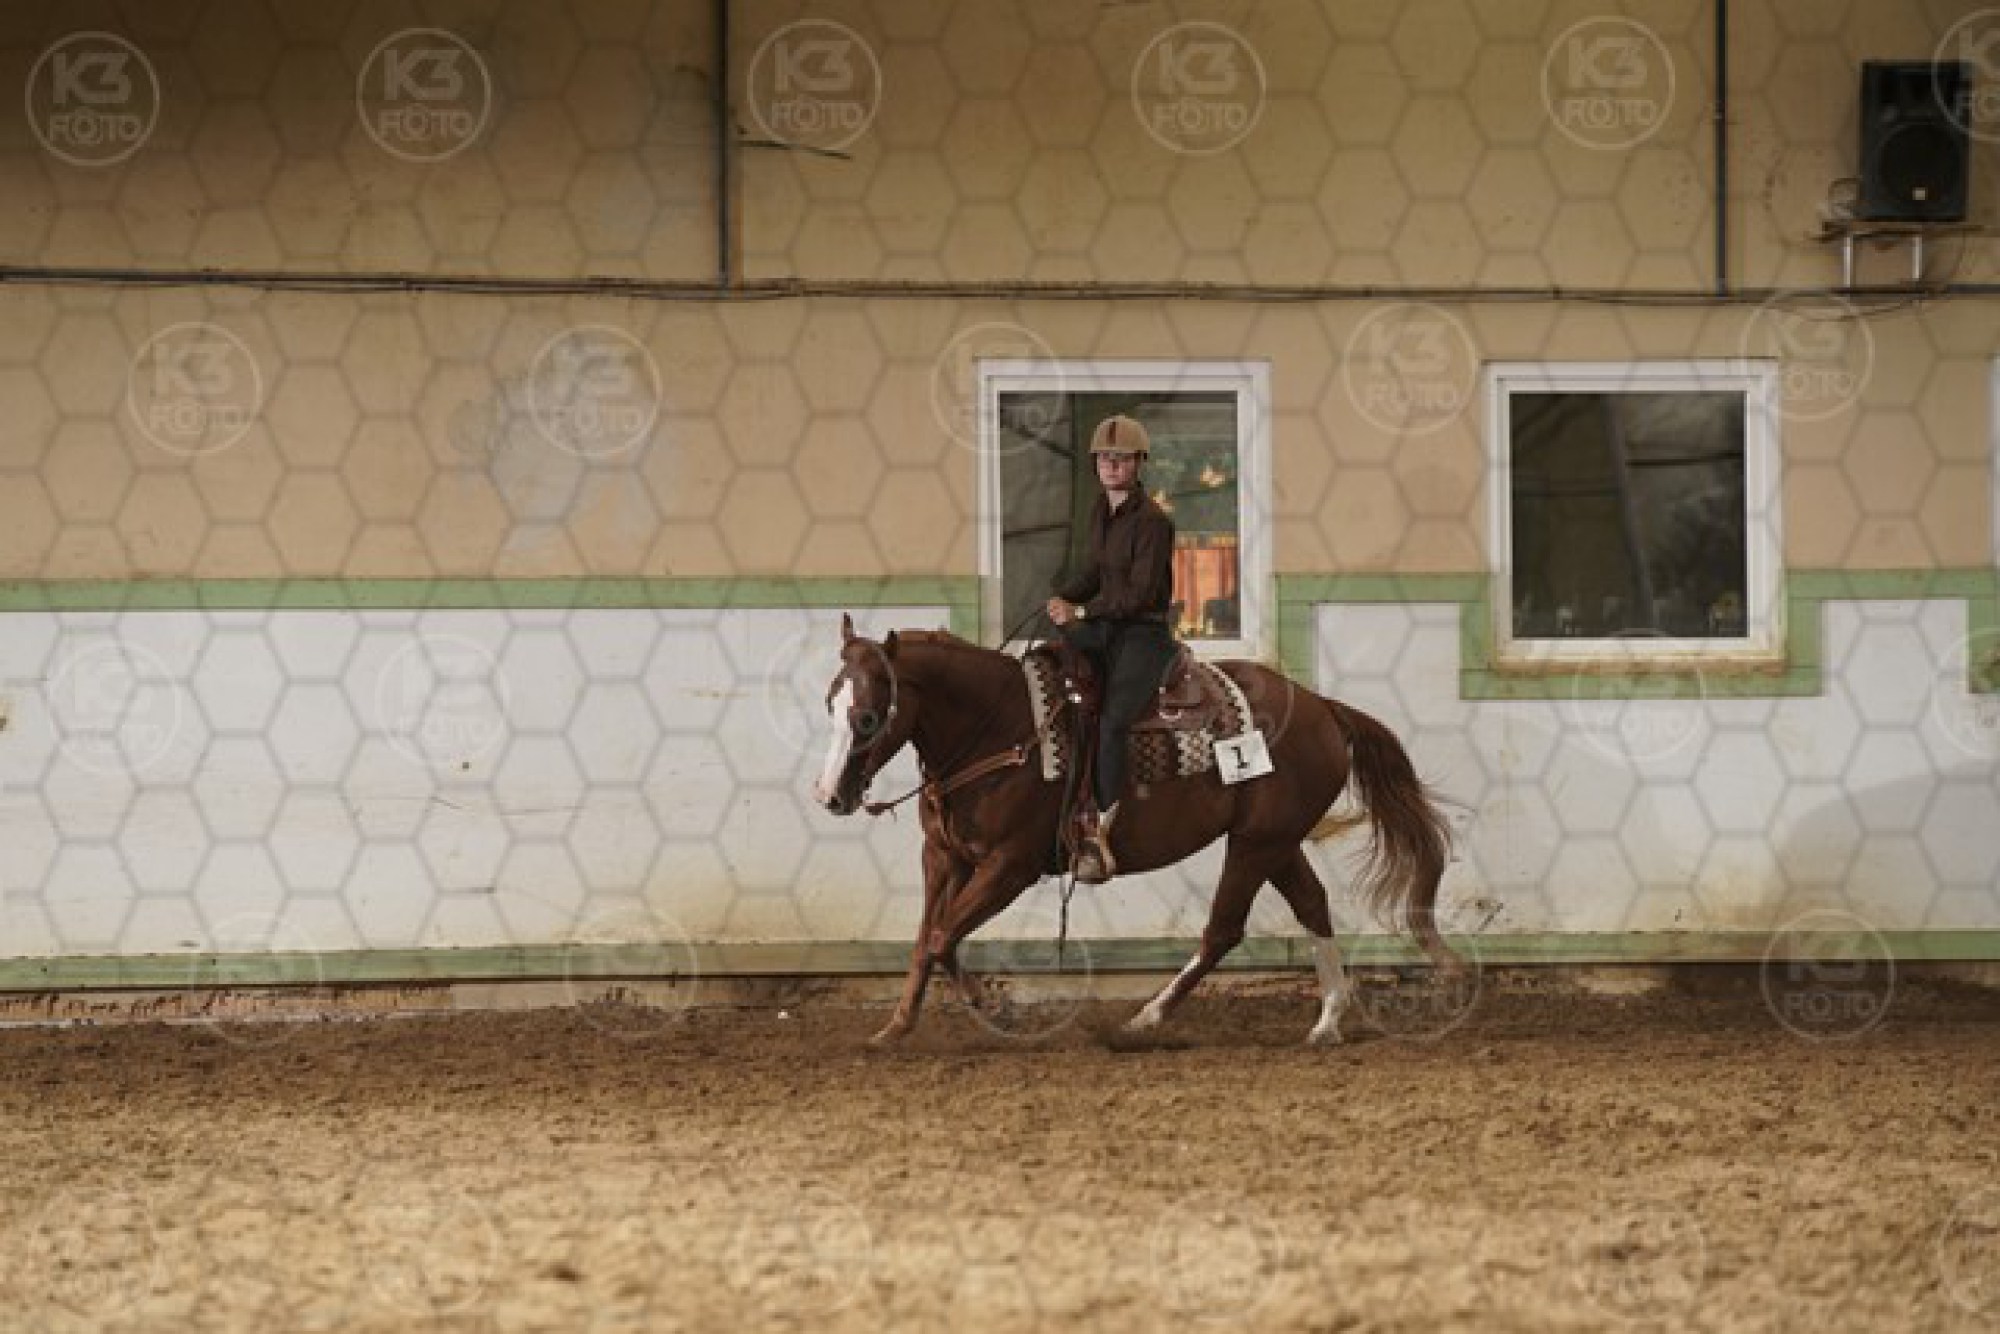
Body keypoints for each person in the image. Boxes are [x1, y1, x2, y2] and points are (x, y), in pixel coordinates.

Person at [1045, 414, 1178, 883]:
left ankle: (1104, 828)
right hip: (1105, 628)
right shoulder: (1100, 511)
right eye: (1105, 458)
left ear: (1139, 463)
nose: (1112, 466)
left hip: (1143, 635)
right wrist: (1061, 597)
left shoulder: (1154, 522)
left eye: (1121, 459)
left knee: (1113, 721)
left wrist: (1082, 612)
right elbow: (1095, 573)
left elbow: (1140, 594)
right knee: (1061, 693)